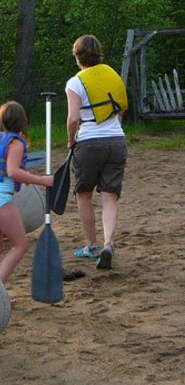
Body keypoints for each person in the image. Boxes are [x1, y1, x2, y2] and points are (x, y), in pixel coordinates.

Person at [66, 34, 128, 270]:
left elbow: (73, 118)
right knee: (109, 195)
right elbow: (120, 109)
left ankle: (92, 245)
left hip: (89, 142)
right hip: (117, 140)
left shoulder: (75, 82)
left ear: (78, 57)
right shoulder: (112, 75)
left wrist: (71, 140)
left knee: (84, 194)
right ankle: (108, 243)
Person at [0, 101, 54, 282]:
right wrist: (41, 180)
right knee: (20, 245)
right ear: (21, 121)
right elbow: (13, 171)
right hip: (0, 200)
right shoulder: (15, 143)